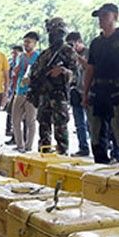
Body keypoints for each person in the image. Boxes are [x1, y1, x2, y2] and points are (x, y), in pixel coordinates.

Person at [83, 3, 119, 166]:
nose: (101, 20)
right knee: (96, 134)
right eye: (99, 17)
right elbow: (90, 69)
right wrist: (85, 94)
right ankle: (100, 168)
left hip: (117, 90)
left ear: (116, 16)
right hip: (98, 90)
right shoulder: (96, 42)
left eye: (105, 16)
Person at [28, 18, 76, 155]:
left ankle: (62, 155)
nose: (51, 35)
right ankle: (44, 155)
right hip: (44, 96)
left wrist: (62, 72)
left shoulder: (67, 51)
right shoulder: (45, 54)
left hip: (59, 96)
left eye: (54, 32)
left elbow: (76, 76)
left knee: (60, 129)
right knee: (43, 128)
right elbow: (35, 73)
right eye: (50, 32)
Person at [11, 32, 40, 152]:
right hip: (20, 90)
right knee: (15, 119)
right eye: (25, 42)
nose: (26, 44)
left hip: (32, 91)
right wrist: (16, 71)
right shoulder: (20, 57)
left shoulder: (38, 56)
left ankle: (28, 146)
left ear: (34, 43)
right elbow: (15, 72)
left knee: (30, 120)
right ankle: (19, 145)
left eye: (28, 42)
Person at [65, 32, 90, 156]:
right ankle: (83, 147)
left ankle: (101, 147)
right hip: (75, 91)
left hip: (88, 90)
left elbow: (89, 68)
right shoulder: (69, 56)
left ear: (79, 42)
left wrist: (78, 57)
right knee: (79, 123)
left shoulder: (89, 52)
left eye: (73, 44)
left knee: (91, 123)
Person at [4, 45, 23, 142]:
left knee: (22, 117)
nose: (14, 55)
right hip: (13, 90)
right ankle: (13, 135)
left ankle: (21, 138)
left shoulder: (23, 61)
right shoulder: (11, 63)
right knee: (11, 112)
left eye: (16, 53)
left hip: (22, 90)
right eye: (13, 53)